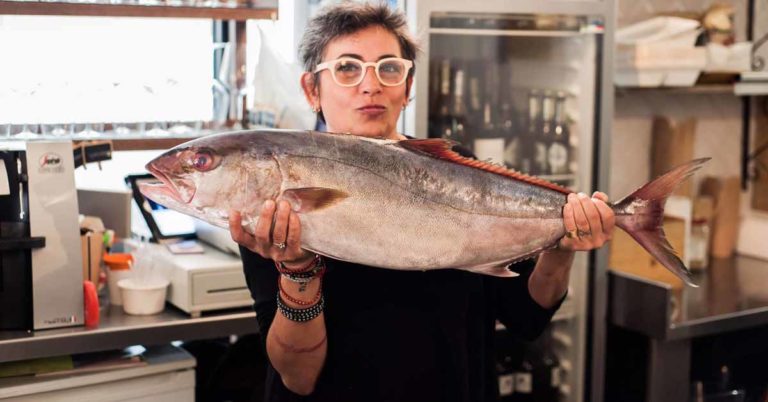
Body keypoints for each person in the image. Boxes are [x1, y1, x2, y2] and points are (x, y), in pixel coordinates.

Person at [229, 3, 615, 401]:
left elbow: (526, 317)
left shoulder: (457, 174)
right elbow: (298, 377)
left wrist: (560, 251)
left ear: (408, 88)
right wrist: (297, 271)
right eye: (347, 68)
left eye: (388, 68)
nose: (370, 84)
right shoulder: (275, 202)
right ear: (312, 89)